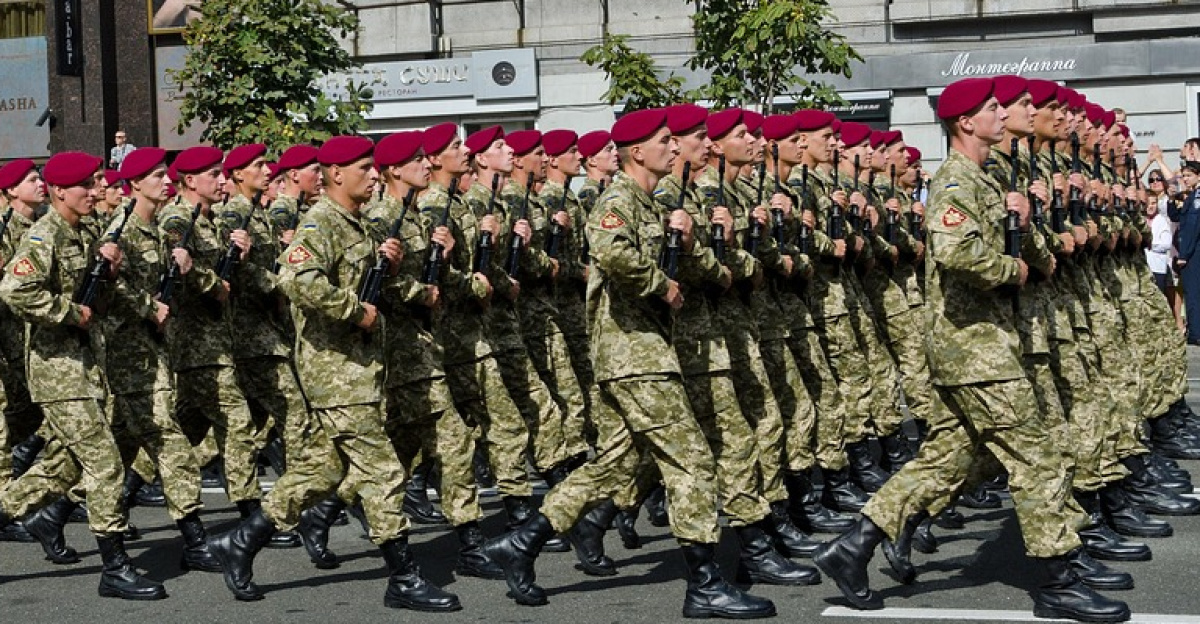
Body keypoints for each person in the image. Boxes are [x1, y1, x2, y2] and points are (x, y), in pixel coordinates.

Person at [812, 77, 1132, 624]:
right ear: (966, 122)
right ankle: (1057, 580)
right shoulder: (956, 181)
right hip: (974, 349)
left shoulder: (983, 178)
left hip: (983, 344)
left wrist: (1022, 225)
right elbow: (958, 253)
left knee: (956, 458)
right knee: (1037, 457)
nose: (1002, 115)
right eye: (992, 109)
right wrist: (1014, 269)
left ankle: (854, 545)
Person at [483, 108, 777, 619]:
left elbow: (684, 262)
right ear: (637, 152)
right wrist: (661, 284)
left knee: (618, 463)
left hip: (649, 351)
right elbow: (613, 253)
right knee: (691, 460)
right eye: (665, 141)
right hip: (633, 355)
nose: (674, 147)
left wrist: (688, 243)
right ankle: (704, 585)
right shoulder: (617, 201)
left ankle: (523, 542)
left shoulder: (651, 204)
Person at [208, 135, 460, 612]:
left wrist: (390, 267)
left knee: (323, 470)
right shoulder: (320, 222)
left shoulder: (357, 222)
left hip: (361, 369)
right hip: (337, 374)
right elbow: (297, 279)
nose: (373, 174)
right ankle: (404, 577)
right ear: (337, 174)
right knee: (384, 471)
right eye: (365, 167)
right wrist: (354, 311)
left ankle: (240, 541)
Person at [0, 151, 167, 601]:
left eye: (96, 184)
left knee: (63, 466)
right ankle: (115, 567)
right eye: (86, 186)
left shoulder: (85, 231)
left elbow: (100, 301)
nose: (95, 192)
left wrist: (108, 273)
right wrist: (70, 312)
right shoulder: (45, 235)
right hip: (58, 373)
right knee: (106, 464)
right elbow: (14, 289)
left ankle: (9, 511)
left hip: (88, 367)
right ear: (59, 191)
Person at [1174, 161, 1200, 345]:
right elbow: (1176, 215)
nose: (1185, 179)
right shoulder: (1190, 195)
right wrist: (1171, 199)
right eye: (1183, 176)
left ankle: (1196, 332)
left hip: (1194, 251)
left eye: (1189, 175)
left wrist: (1183, 254)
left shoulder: (1197, 197)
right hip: (1193, 249)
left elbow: (1192, 227)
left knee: (1193, 292)